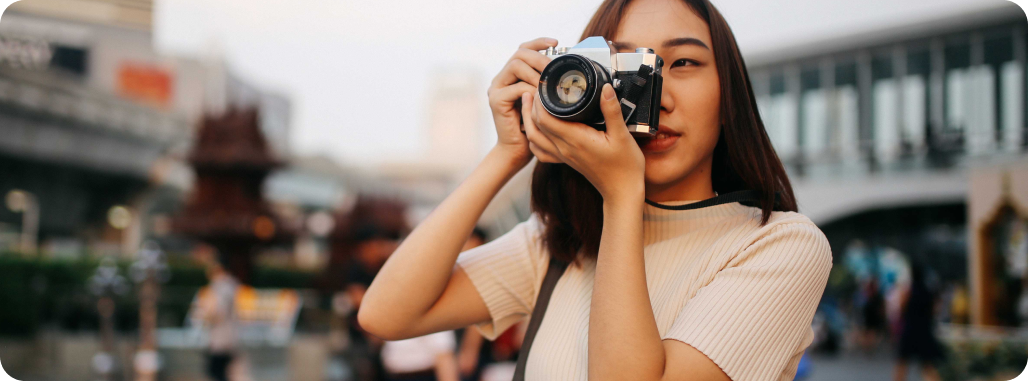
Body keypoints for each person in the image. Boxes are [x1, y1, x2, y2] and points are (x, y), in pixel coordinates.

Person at [358, 0, 833, 379]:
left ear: (729, 96)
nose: (656, 95)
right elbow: (387, 315)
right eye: (627, 68)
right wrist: (508, 153)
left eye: (684, 63)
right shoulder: (560, 245)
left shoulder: (780, 246)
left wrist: (622, 196)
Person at [892, 264, 943, 381]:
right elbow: (934, 311)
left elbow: (900, 310)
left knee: (902, 363)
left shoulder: (908, 292)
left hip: (910, 330)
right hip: (924, 330)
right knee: (927, 365)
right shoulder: (927, 292)